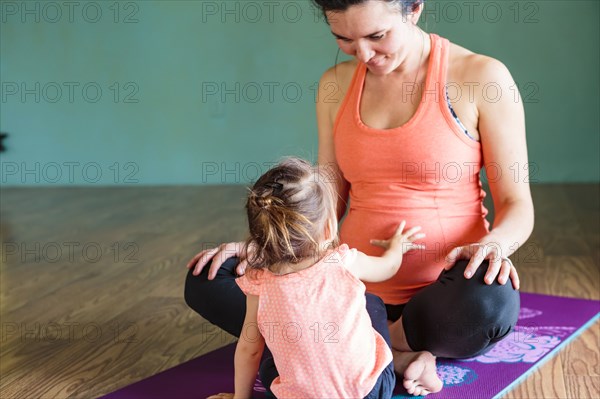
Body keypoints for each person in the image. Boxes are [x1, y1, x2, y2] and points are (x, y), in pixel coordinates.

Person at [186, 0, 533, 396]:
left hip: (437, 301)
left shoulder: (482, 77)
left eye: (377, 36)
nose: (364, 54)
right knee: (209, 275)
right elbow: (326, 196)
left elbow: (517, 205)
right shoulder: (334, 85)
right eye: (344, 39)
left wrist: (493, 247)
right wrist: (269, 249)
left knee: (489, 301)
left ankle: (365, 344)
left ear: (415, 8)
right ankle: (393, 356)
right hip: (338, 293)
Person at [208, 157, 425, 398]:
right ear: (329, 228)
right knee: (373, 305)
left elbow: (249, 351)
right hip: (370, 391)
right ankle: (401, 359)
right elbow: (388, 267)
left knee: (270, 365)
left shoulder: (260, 284)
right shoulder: (342, 261)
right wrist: (397, 247)